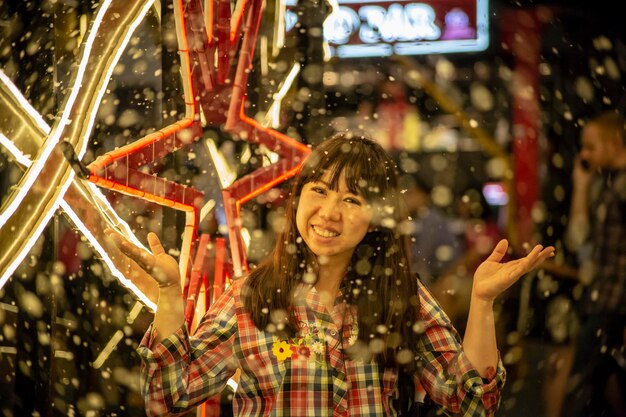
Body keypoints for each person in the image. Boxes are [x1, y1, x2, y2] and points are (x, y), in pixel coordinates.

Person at [106, 133, 555, 417]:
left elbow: (472, 404)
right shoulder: (252, 298)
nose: (329, 212)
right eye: (318, 191)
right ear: (298, 199)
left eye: (352, 200)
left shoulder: (401, 297)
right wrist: (168, 293)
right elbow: (166, 400)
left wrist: (481, 302)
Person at [562, 110, 626, 417]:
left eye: (591, 146)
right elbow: (578, 239)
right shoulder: (607, 186)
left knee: (582, 390)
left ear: (615, 143)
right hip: (604, 304)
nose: (584, 154)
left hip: (612, 307)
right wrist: (582, 185)